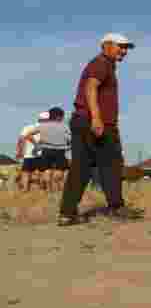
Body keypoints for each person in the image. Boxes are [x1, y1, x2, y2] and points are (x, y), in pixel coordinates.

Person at [59, 33, 145, 225]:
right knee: (112, 165)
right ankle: (116, 207)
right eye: (120, 46)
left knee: (80, 169)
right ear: (106, 45)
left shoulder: (103, 64)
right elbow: (91, 87)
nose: (124, 51)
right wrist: (97, 119)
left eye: (126, 48)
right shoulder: (101, 64)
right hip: (96, 123)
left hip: (82, 121)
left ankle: (67, 213)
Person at [22, 107, 71, 192]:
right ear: (59, 117)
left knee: (46, 170)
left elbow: (28, 134)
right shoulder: (64, 126)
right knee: (60, 170)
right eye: (62, 116)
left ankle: (48, 188)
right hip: (60, 150)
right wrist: (68, 146)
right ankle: (56, 185)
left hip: (46, 150)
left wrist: (37, 144)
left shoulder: (42, 126)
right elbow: (70, 140)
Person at [14, 112, 47, 192]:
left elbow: (20, 140)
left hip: (29, 155)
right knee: (43, 172)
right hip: (43, 155)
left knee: (26, 172)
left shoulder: (28, 127)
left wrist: (18, 152)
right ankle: (42, 190)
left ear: (39, 118)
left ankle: (25, 189)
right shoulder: (49, 129)